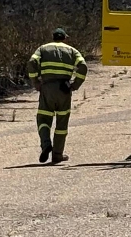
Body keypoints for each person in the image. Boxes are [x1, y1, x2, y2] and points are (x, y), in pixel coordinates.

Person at [26, 28, 87, 163]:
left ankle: (46, 144)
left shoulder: (42, 49)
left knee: (43, 119)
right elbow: (83, 66)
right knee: (62, 123)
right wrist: (75, 85)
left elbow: (31, 62)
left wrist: (35, 81)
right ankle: (57, 154)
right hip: (64, 89)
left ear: (53, 37)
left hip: (47, 88)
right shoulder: (72, 51)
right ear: (65, 38)